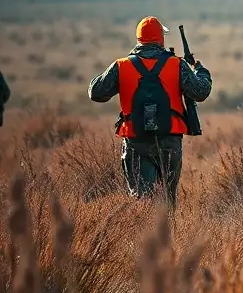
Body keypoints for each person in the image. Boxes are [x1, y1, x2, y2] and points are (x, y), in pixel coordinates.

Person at [88, 16, 212, 208]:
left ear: (139, 39)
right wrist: (201, 70)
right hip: (169, 140)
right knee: (167, 201)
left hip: (136, 141)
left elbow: (96, 92)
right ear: (160, 39)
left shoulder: (122, 65)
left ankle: (145, 227)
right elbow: (201, 92)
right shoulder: (176, 64)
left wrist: (112, 73)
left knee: (142, 204)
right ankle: (167, 227)